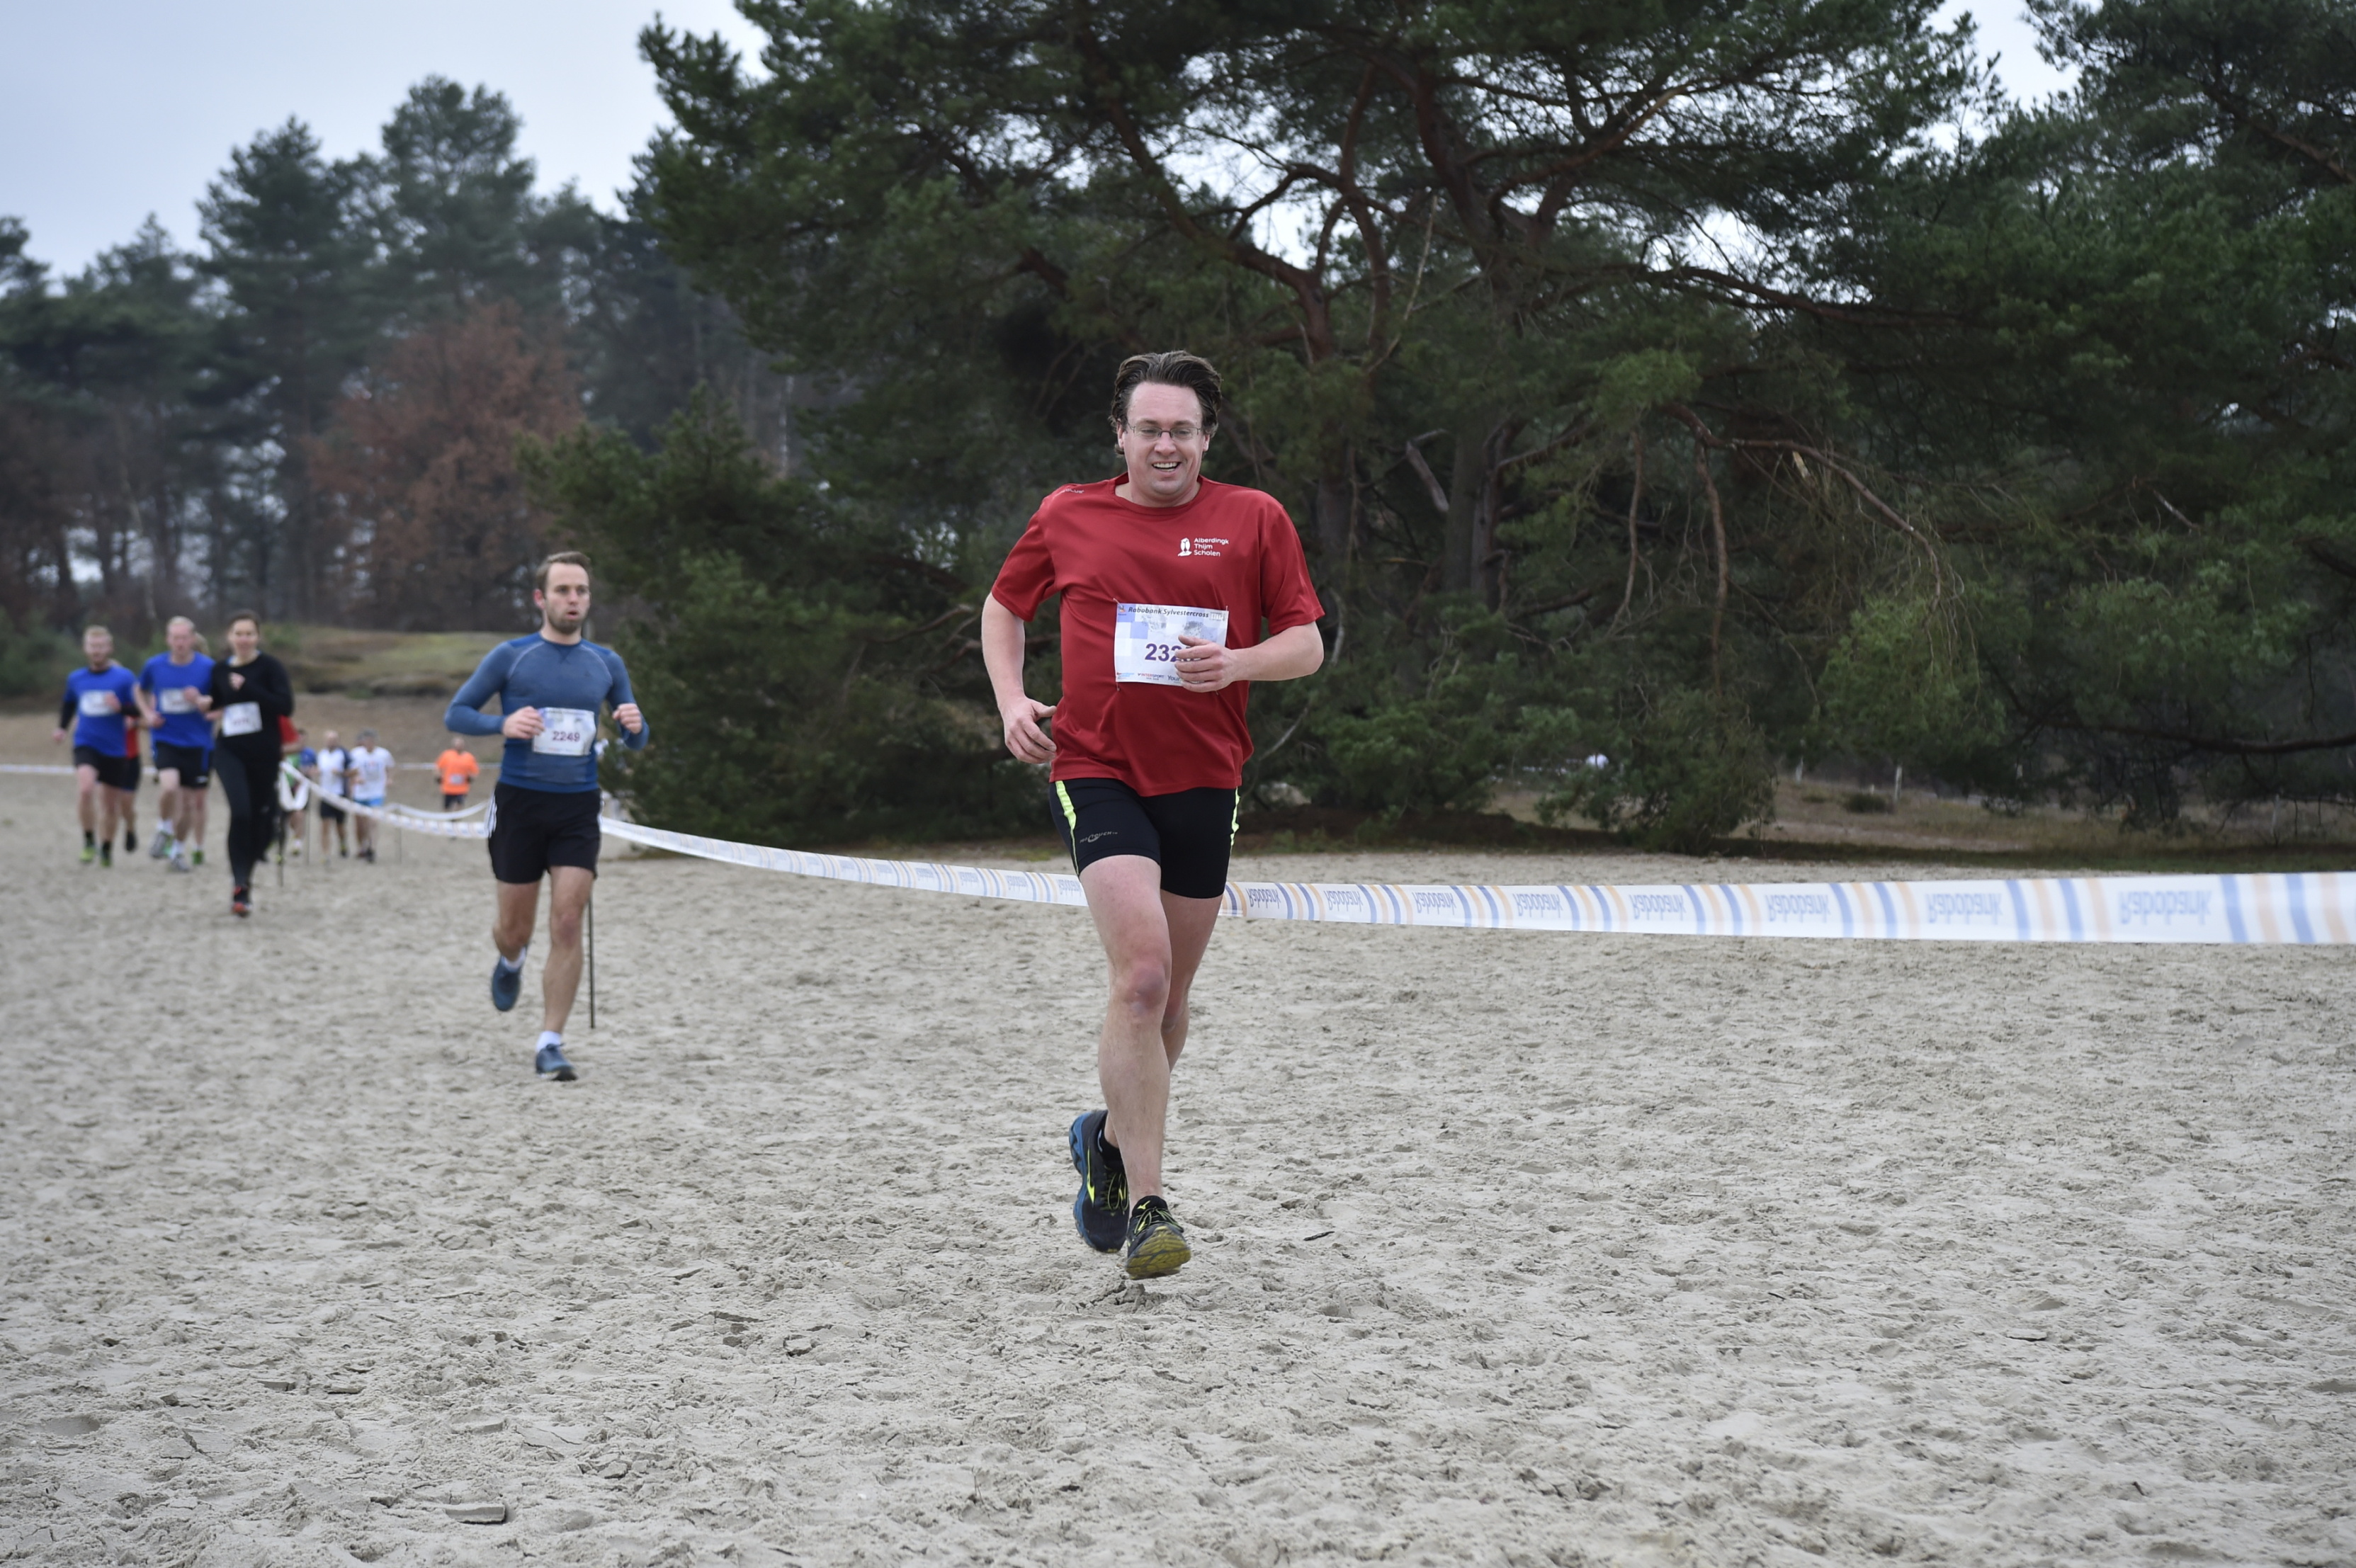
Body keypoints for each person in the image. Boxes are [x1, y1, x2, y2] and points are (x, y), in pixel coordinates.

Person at [982, 351, 1325, 1280]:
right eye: (1148, 428)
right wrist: (1011, 701)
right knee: (1139, 978)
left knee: (1169, 1004)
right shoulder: (1068, 514)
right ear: (1120, 436)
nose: (1164, 444)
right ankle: (1147, 1205)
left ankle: (1103, 1138)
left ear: (1205, 439)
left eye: (1181, 429)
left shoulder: (1255, 519)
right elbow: (1004, 607)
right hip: (1096, 770)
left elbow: (1305, 643)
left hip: (1205, 780)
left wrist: (1238, 663)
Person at [445, 552, 648, 1082]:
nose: (573, 599)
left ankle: (550, 1042)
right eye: (562, 590)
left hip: (577, 807)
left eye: (581, 590)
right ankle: (511, 960)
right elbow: (457, 713)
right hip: (520, 804)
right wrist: (503, 724)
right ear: (541, 599)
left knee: (567, 920)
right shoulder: (512, 656)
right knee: (515, 929)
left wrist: (634, 725)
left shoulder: (606, 663)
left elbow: (636, 737)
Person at [196, 610, 294, 917]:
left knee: (260, 821)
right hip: (230, 751)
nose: (243, 639)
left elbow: (285, 706)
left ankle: (247, 878)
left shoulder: (270, 667)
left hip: (264, 753)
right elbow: (217, 700)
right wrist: (206, 704)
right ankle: (240, 885)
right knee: (241, 812)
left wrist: (249, 688)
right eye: (238, 634)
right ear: (229, 637)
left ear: (258, 637)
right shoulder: (220, 669)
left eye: (249, 634)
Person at [52, 625, 143, 866]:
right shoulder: (76, 678)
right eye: (93, 646)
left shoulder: (124, 678)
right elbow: (69, 704)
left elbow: (138, 710)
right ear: (85, 648)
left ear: (110, 648)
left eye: (101, 646)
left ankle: (106, 848)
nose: (97, 651)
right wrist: (62, 728)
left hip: (115, 748)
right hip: (86, 743)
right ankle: (89, 840)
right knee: (85, 789)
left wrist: (121, 708)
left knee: (110, 806)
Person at [138, 615, 215, 873]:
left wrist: (201, 701)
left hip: (197, 743)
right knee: (169, 788)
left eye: (184, 638)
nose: (180, 643)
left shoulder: (207, 667)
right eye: (175, 638)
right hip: (166, 738)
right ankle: (163, 829)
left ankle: (178, 851)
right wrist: (148, 714)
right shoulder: (155, 665)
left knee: (190, 804)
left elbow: (219, 700)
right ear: (168, 640)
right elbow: (139, 689)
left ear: (192, 639)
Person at [347, 729, 393, 860]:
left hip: (377, 792)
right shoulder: (356, 754)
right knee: (360, 823)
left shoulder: (383, 754)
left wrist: (389, 779)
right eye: (366, 741)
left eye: (371, 741)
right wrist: (355, 779)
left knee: (373, 821)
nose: (369, 743)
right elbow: (350, 772)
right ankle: (362, 846)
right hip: (360, 793)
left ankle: (372, 848)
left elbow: (390, 768)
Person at [314, 729, 351, 858]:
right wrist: (316, 772)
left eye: (334, 740)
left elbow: (354, 771)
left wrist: (341, 773)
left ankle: (343, 844)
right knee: (325, 825)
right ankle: (326, 854)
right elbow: (316, 769)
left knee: (340, 826)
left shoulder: (344, 754)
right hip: (325, 795)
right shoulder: (321, 754)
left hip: (339, 794)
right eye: (329, 740)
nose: (331, 742)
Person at [436, 741, 480, 811]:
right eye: (457, 745)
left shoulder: (469, 757)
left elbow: (475, 771)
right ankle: (449, 816)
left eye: (460, 745)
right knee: (447, 807)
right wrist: (438, 777)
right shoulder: (447, 755)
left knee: (459, 806)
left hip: (462, 789)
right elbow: (438, 767)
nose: (458, 747)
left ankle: (456, 816)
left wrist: (471, 777)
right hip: (448, 788)